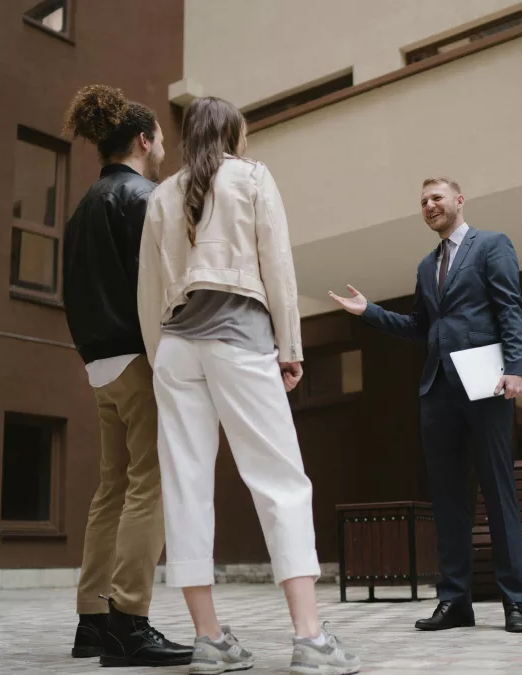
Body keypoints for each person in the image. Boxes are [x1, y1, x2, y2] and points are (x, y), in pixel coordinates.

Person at [137, 96, 361, 675]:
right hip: (239, 338)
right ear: (235, 134)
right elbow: (277, 267)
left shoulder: (161, 194)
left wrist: (161, 358)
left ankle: (208, 639)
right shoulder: (252, 177)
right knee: (280, 480)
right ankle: (310, 639)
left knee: (185, 487)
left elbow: (147, 291)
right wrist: (290, 349)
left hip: (176, 348)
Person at [329, 177, 522, 634]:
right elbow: (423, 326)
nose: (429, 205)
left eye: (436, 197)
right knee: (447, 501)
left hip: (487, 387)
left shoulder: (492, 245)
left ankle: (514, 602)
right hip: (437, 393)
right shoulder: (427, 266)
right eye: (422, 201)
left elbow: (510, 307)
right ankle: (455, 601)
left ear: (459, 201)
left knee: (499, 496)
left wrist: (518, 366)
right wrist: (370, 312)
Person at [61, 84, 194, 667]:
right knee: (151, 484)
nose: (165, 145)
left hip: (97, 364)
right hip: (139, 359)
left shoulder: (83, 207)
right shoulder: (146, 197)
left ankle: (92, 620)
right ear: (143, 139)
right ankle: (129, 621)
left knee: (112, 487)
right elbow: (165, 284)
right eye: (161, 136)